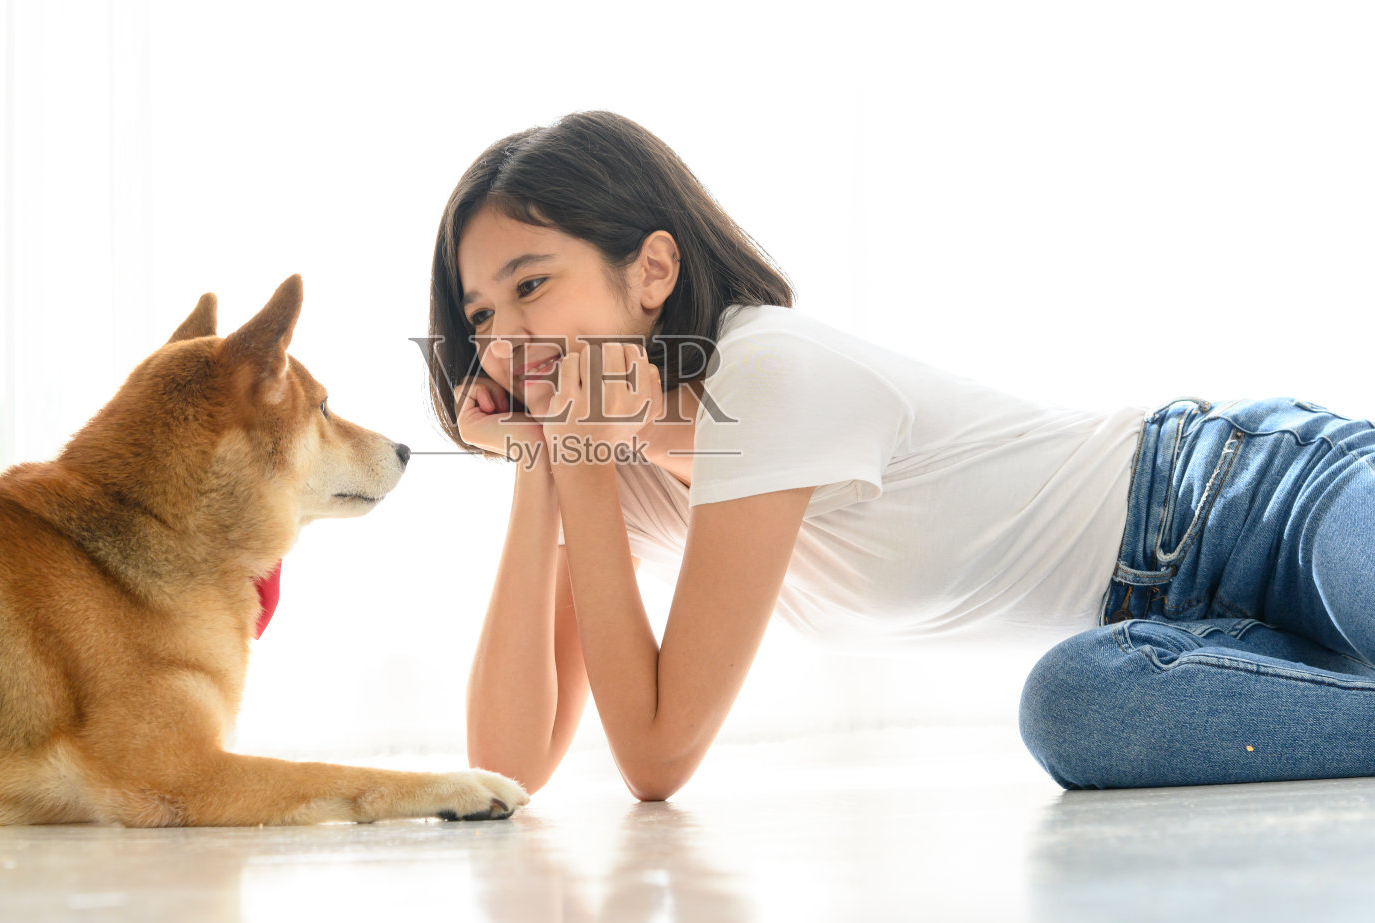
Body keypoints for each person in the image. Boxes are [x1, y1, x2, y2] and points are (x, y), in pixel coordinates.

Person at [419, 109, 1375, 798]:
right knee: (1072, 714)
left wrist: (571, 461)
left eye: (532, 284)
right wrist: (547, 470)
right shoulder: (612, 472)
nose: (506, 338)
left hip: (1260, 491)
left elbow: (658, 754)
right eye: (480, 317)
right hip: (1168, 637)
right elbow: (503, 768)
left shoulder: (763, 372)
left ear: (652, 271)